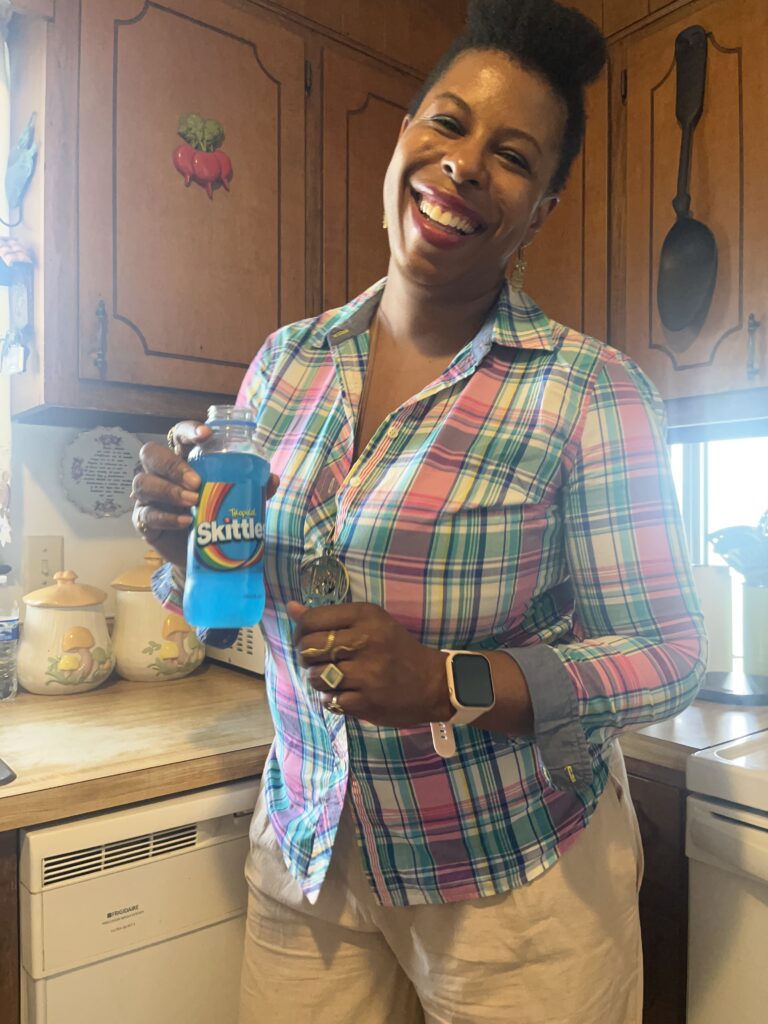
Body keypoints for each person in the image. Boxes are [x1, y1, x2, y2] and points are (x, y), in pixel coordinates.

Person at [132, 1, 706, 1021]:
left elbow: (667, 655)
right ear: (404, 134)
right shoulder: (287, 361)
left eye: (513, 156)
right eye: (445, 123)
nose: (465, 164)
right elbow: (222, 607)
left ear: (543, 206)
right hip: (310, 852)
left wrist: (447, 681)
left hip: (515, 887)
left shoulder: (589, 390)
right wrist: (179, 548)